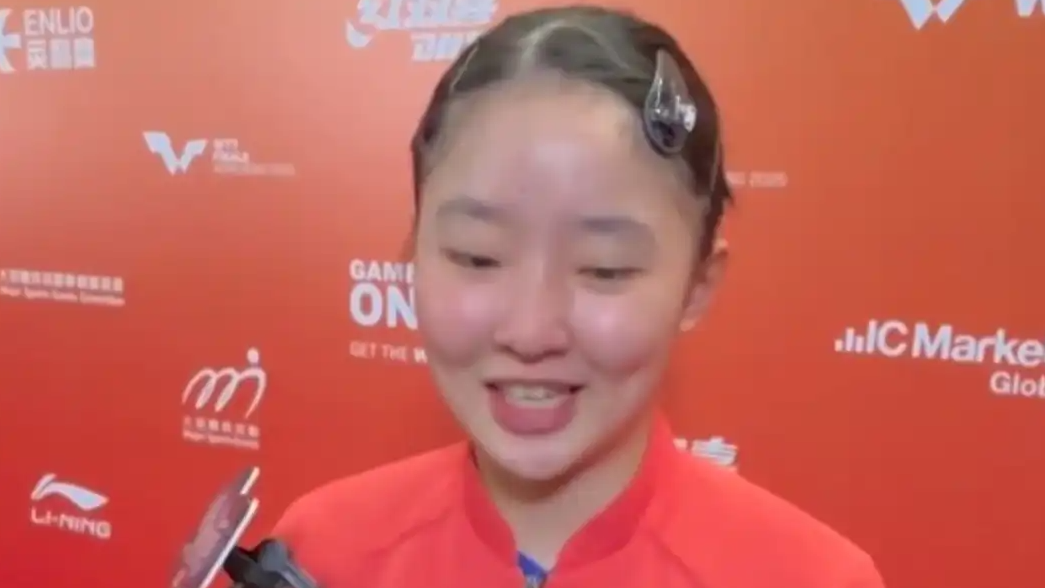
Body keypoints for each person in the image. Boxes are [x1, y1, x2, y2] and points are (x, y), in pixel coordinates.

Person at [271, 5, 886, 588]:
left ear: (698, 285)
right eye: (477, 257)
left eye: (604, 269)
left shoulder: (811, 577)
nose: (531, 331)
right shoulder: (320, 554)